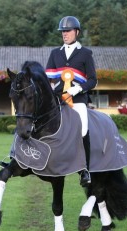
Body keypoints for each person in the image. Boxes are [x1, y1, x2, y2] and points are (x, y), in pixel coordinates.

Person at [45, 16, 97, 187]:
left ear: (77, 32)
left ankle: (85, 170)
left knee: (83, 129)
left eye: (67, 31)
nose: (64, 34)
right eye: (63, 32)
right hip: (58, 100)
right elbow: (49, 78)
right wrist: (51, 90)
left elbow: (93, 80)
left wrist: (78, 89)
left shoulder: (85, 54)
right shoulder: (55, 53)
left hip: (78, 100)